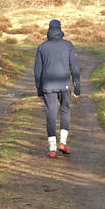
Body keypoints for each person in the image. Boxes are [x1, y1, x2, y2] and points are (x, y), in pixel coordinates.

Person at [33, 19, 80, 158]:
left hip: (48, 87)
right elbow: (75, 68)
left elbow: (37, 72)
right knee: (65, 112)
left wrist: (39, 90)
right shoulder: (68, 45)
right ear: (60, 29)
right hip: (64, 85)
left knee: (51, 116)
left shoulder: (42, 47)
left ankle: (52, 148)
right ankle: (63, 143)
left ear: (48, 30)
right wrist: (77, 87)